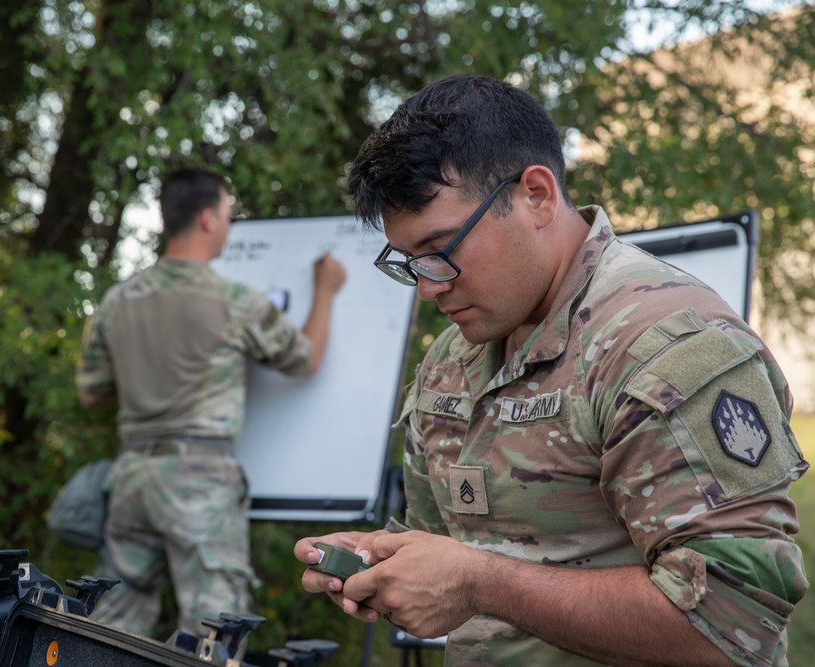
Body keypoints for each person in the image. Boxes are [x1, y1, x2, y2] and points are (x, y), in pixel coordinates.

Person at [294, 74, 808, 666]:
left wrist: (479, 583)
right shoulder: (453, 358)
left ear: (536, 196)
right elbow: (452, 548)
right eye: (410, 264)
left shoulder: (664, 348)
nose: (429, 289)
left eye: (441, 251)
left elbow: (733, 626)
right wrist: (383, 562)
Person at [77, 168, 346, 641]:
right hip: (197, 481)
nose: (228, 224)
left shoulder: (117, 300)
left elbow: (91, 392)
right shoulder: (232, 300)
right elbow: (304, 359)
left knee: (112, 625)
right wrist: (325, 292)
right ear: (207, 219)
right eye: (227, 214)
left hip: (130, 478)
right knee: (213, 632)